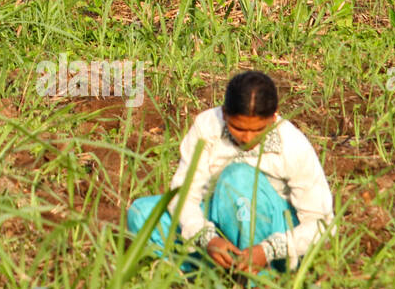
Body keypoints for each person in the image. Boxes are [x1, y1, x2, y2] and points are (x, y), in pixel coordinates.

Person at [126, 71, 334, 275]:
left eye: (258, 130)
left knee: (238, 177)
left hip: (275, 232)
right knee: (142, 214)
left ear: (273, 117)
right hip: (220, 217)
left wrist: (269, 249)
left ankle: (255, 279)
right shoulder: (207, 128)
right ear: (224, 114)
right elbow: (183, 194)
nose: (248, 138)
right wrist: (207, 239)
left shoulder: (293, 145)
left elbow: (322, 222)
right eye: (238, 128)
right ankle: (223, 266)